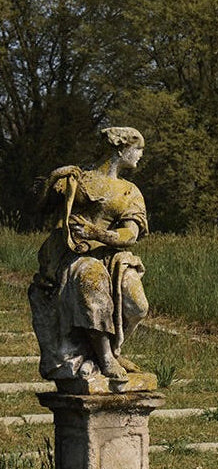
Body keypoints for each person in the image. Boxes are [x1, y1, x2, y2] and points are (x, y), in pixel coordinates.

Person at [29, 126, 149, 382]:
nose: (140, 155)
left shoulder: (130, 191)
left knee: (138, 306)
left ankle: (115, 351)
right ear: (121, 148)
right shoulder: (80, 180)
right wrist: (53, 180)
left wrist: (98, 233)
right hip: (75, 256)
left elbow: (130, 235)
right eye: (138, 148)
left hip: (112, 255)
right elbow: (41, 208)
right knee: (90, 277)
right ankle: (104, 357)